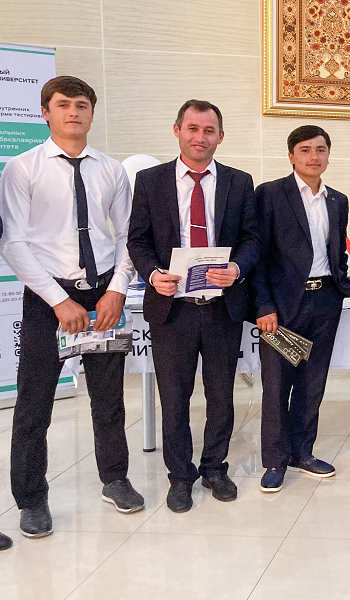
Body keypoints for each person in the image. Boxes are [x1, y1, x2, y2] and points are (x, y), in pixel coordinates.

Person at [0, 76, 144, 539]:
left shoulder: (111, 170)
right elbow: (13, 242)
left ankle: (115, 479)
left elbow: (128, 236)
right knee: (34, 404)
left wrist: (117, 290)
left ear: (92, 113)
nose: (73, 112)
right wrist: (59, 300)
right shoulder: (22, 168)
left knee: (109, 398)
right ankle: (31, 499)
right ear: (45, 112)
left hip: (103, 297)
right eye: (63, 104)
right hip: (50, 299)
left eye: (82, 105)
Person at [127, 99, 260, 513]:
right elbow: (137, 240)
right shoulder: (151, 181)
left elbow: (253, 239)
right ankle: (180, 476)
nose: (200, 137)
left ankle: (215, 468)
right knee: (174, 398)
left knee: (221, 395)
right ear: (177, 130)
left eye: (209, 130)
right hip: (173, 308)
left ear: (220, 136)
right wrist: (153, 274)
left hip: (222, 308)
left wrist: (237, 268)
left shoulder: (239, 182)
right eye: (193, 128)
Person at [252, 125, 350, 492]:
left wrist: (343, 288)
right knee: (277, 385)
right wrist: (264, 304)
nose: (314, 156)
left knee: (313, 383)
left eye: (321, 149)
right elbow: (258, 256)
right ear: (291, 156)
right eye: (306, 150)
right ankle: (275, 460)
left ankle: (303, 452)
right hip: (283, 307)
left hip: (324, 300)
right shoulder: (270, 194)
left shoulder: (337, 200)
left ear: (328, 155)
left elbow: (337, 252)